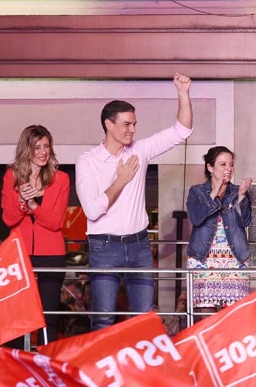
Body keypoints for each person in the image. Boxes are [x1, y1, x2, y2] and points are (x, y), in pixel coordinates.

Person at [75, 73, 193, 331]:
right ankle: (101, 371)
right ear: (109, 125)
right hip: (104, 246)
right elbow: (92, 211)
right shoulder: (87, 161)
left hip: (139, 244)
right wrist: (122, 179)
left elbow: (181, 131)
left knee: (144, 319)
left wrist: (183, 94)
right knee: (103, 318)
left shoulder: (140, 150)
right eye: (127, 124)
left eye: (134, 124)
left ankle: (140, 371)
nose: (133, 130)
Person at [1, 125, 70, 344]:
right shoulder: (11, 177)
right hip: (19, 254)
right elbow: (8, 219)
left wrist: (33, 205)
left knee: (48, 316)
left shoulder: (61, 179)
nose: (42, 152)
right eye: (37, 147)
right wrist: (22, 202)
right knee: (17, 316)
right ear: (26, 149)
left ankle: (44, 367)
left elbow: (55, 222)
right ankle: (17, 368)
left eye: (46, 146)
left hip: (52, 255)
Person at [186, 146, 252, 319]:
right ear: (210, 167)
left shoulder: (238, 191)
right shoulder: (197, 191)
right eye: (223, 164)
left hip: (234, 259)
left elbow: (245, 221)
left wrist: (242, 197)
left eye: (231, 164)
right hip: (203, 259)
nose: (228, 169)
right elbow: (196, 219)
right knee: (206, 317)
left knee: (234, 318)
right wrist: (213, 193)